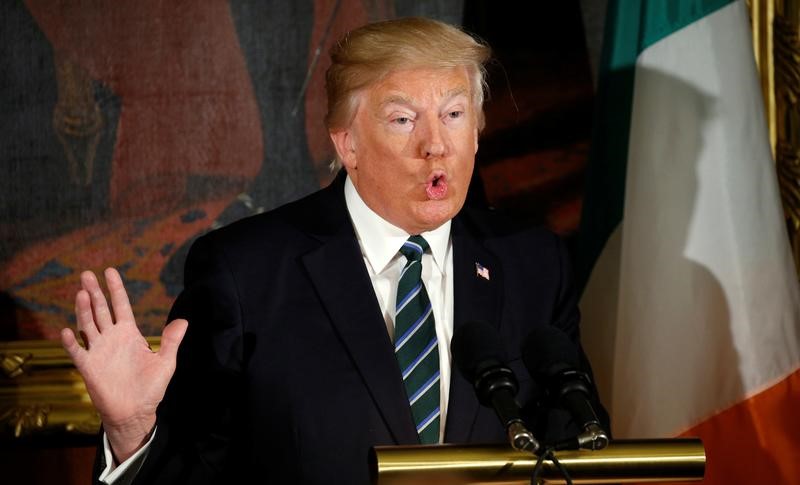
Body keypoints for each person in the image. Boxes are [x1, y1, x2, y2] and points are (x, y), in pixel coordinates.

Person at [62, 17, 607, 485]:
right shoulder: (245, 274)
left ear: (478, 130)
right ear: (347, 142)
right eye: (402, 119)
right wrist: (132, 431)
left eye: (454, 114)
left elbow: (578, 450)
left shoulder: (534, 264)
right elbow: (192, 473)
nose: (435, 143)